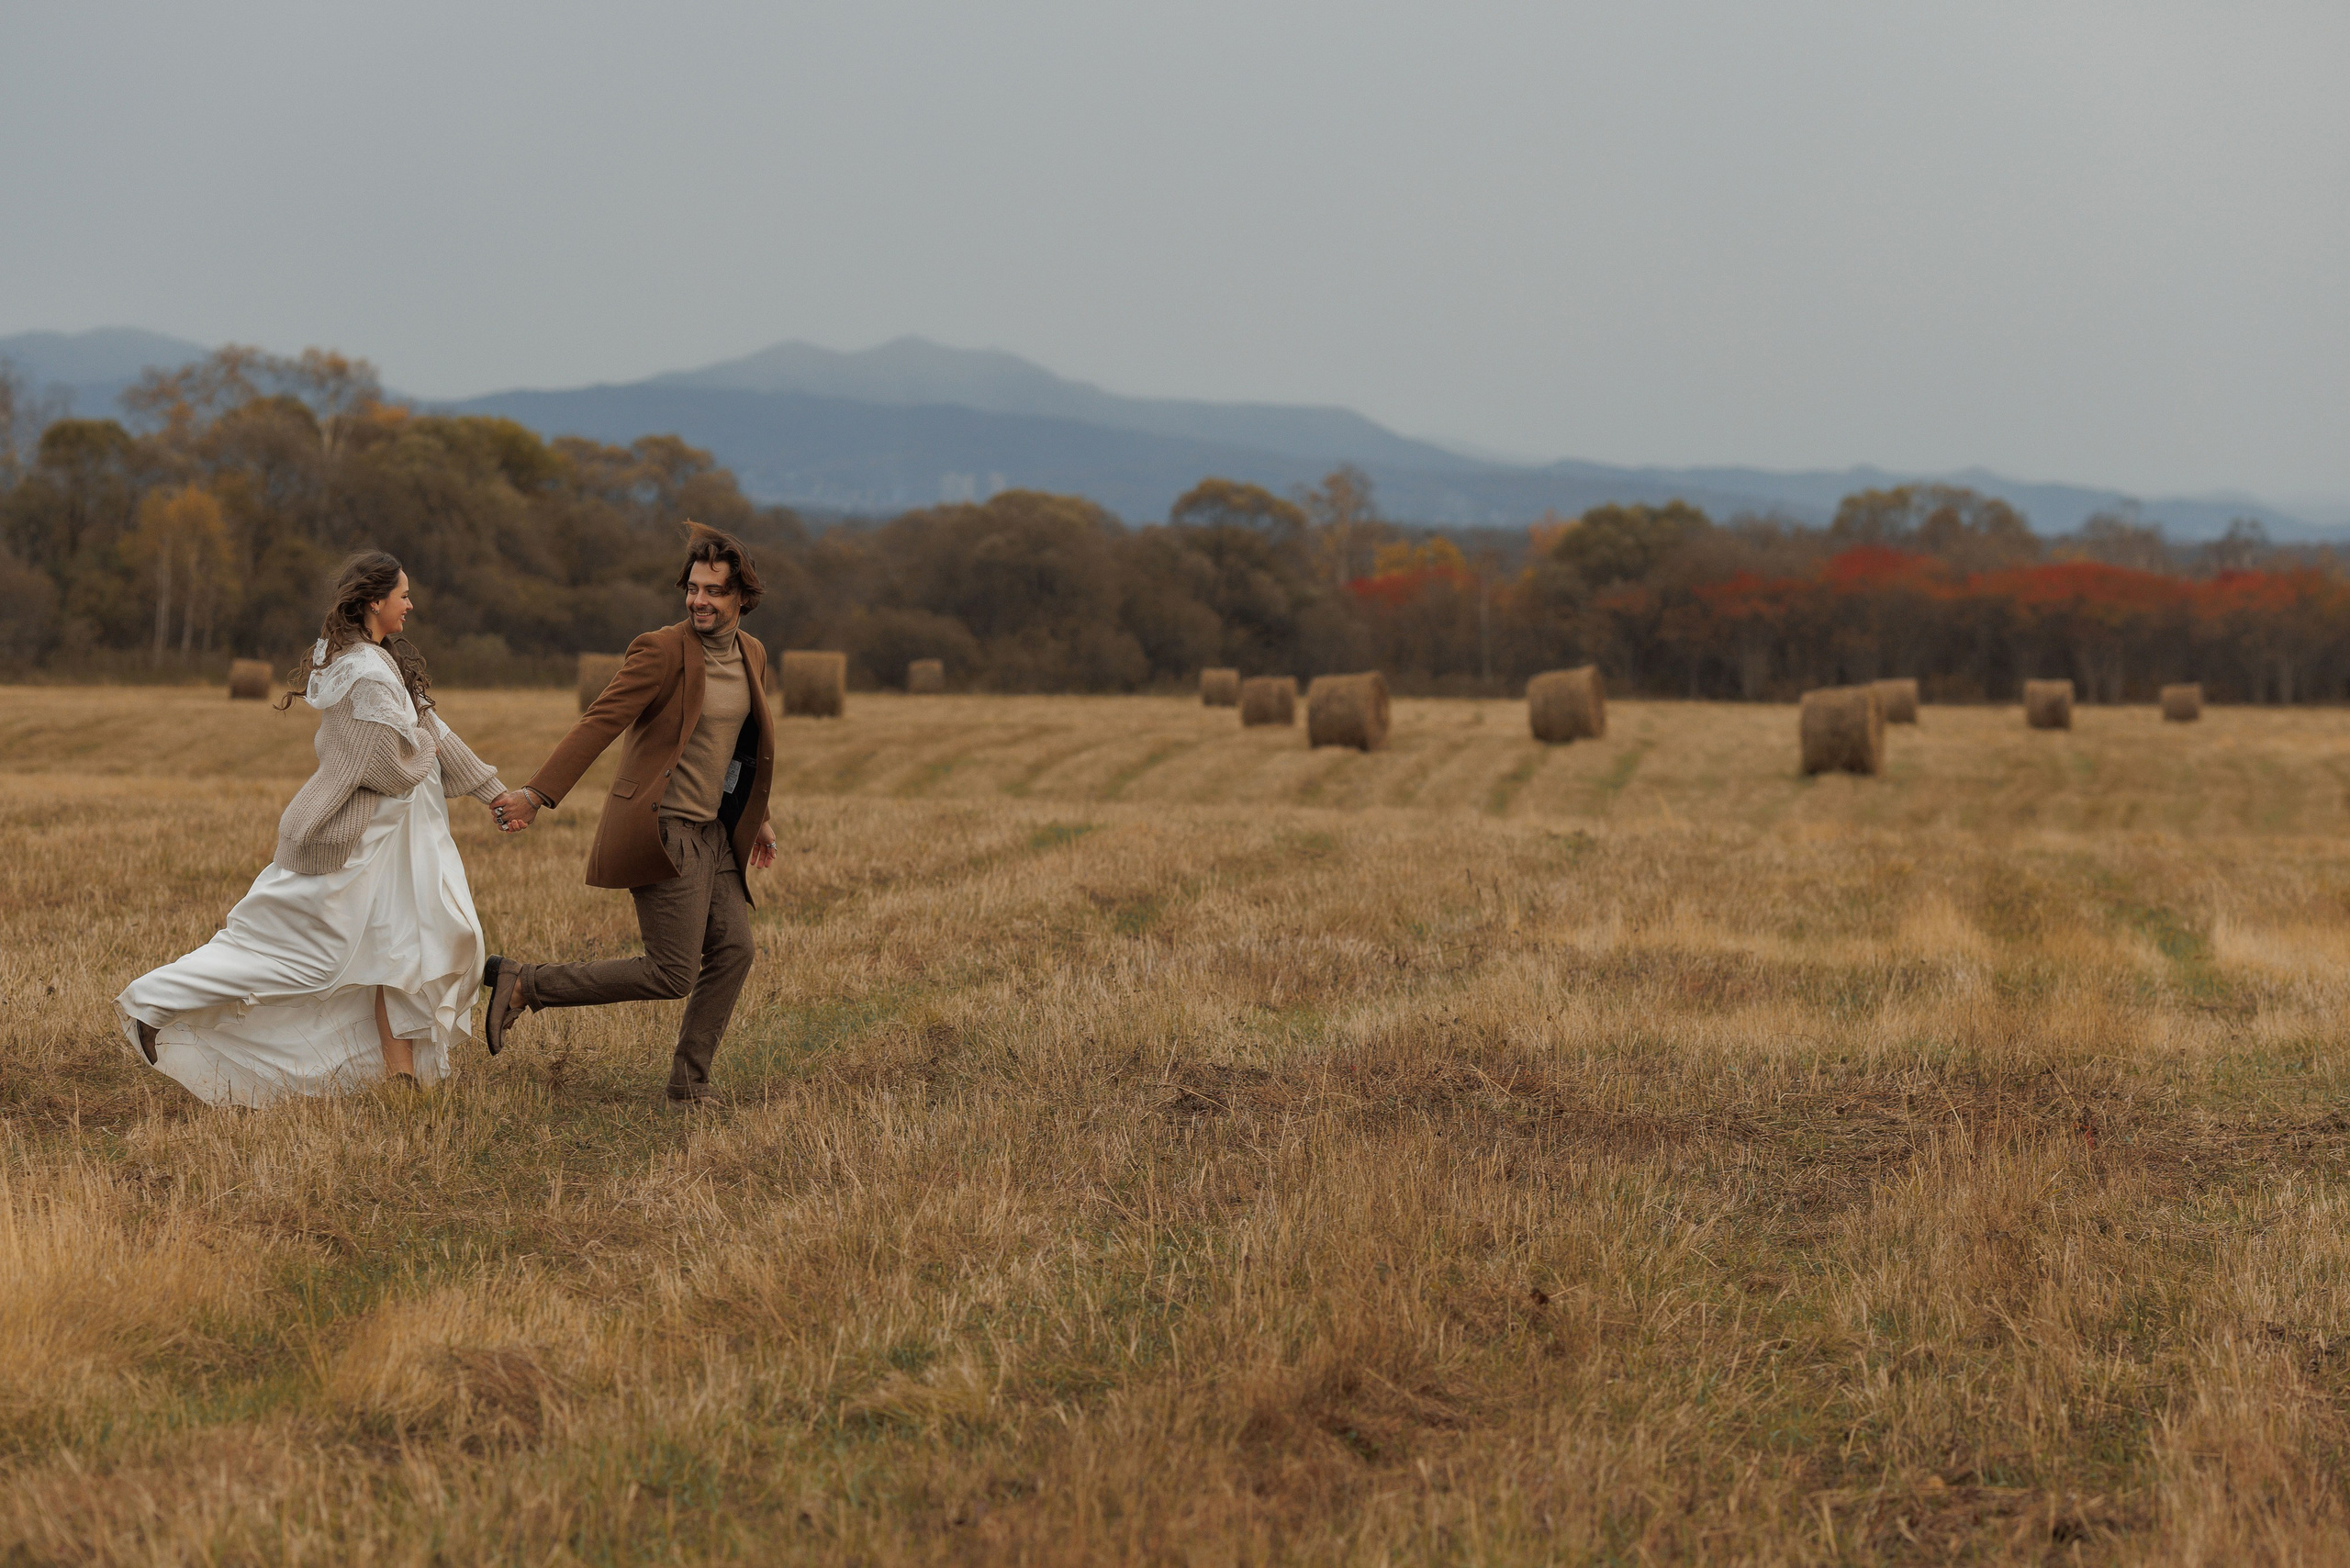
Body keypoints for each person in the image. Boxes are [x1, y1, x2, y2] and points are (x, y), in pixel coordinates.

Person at [116, 552, 523, 1104]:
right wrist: (426, 746)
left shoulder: (383, 662)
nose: (411, 604)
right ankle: (151, 1001)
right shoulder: (363, 672)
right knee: (309, 961)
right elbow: (386, 762)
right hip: (349, 840)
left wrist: (492, 791)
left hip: (393, 845)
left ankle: (399, 1075)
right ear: (376, 602)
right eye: (403, 594)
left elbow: (433, 728)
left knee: (403, 948)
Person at [482, 522, 778, 1108]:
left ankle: (688, 1087)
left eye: (715, 591)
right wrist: (535, 795)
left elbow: (739, 748)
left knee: (735, 951)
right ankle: (527, 982)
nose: (700, 600)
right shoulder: (662, 651)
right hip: (663, 830)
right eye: (693, 588)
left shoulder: (752, 654)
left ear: (742, 596)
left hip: (715, 833)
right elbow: (599, 722)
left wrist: (759, 816)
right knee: (671, 972)